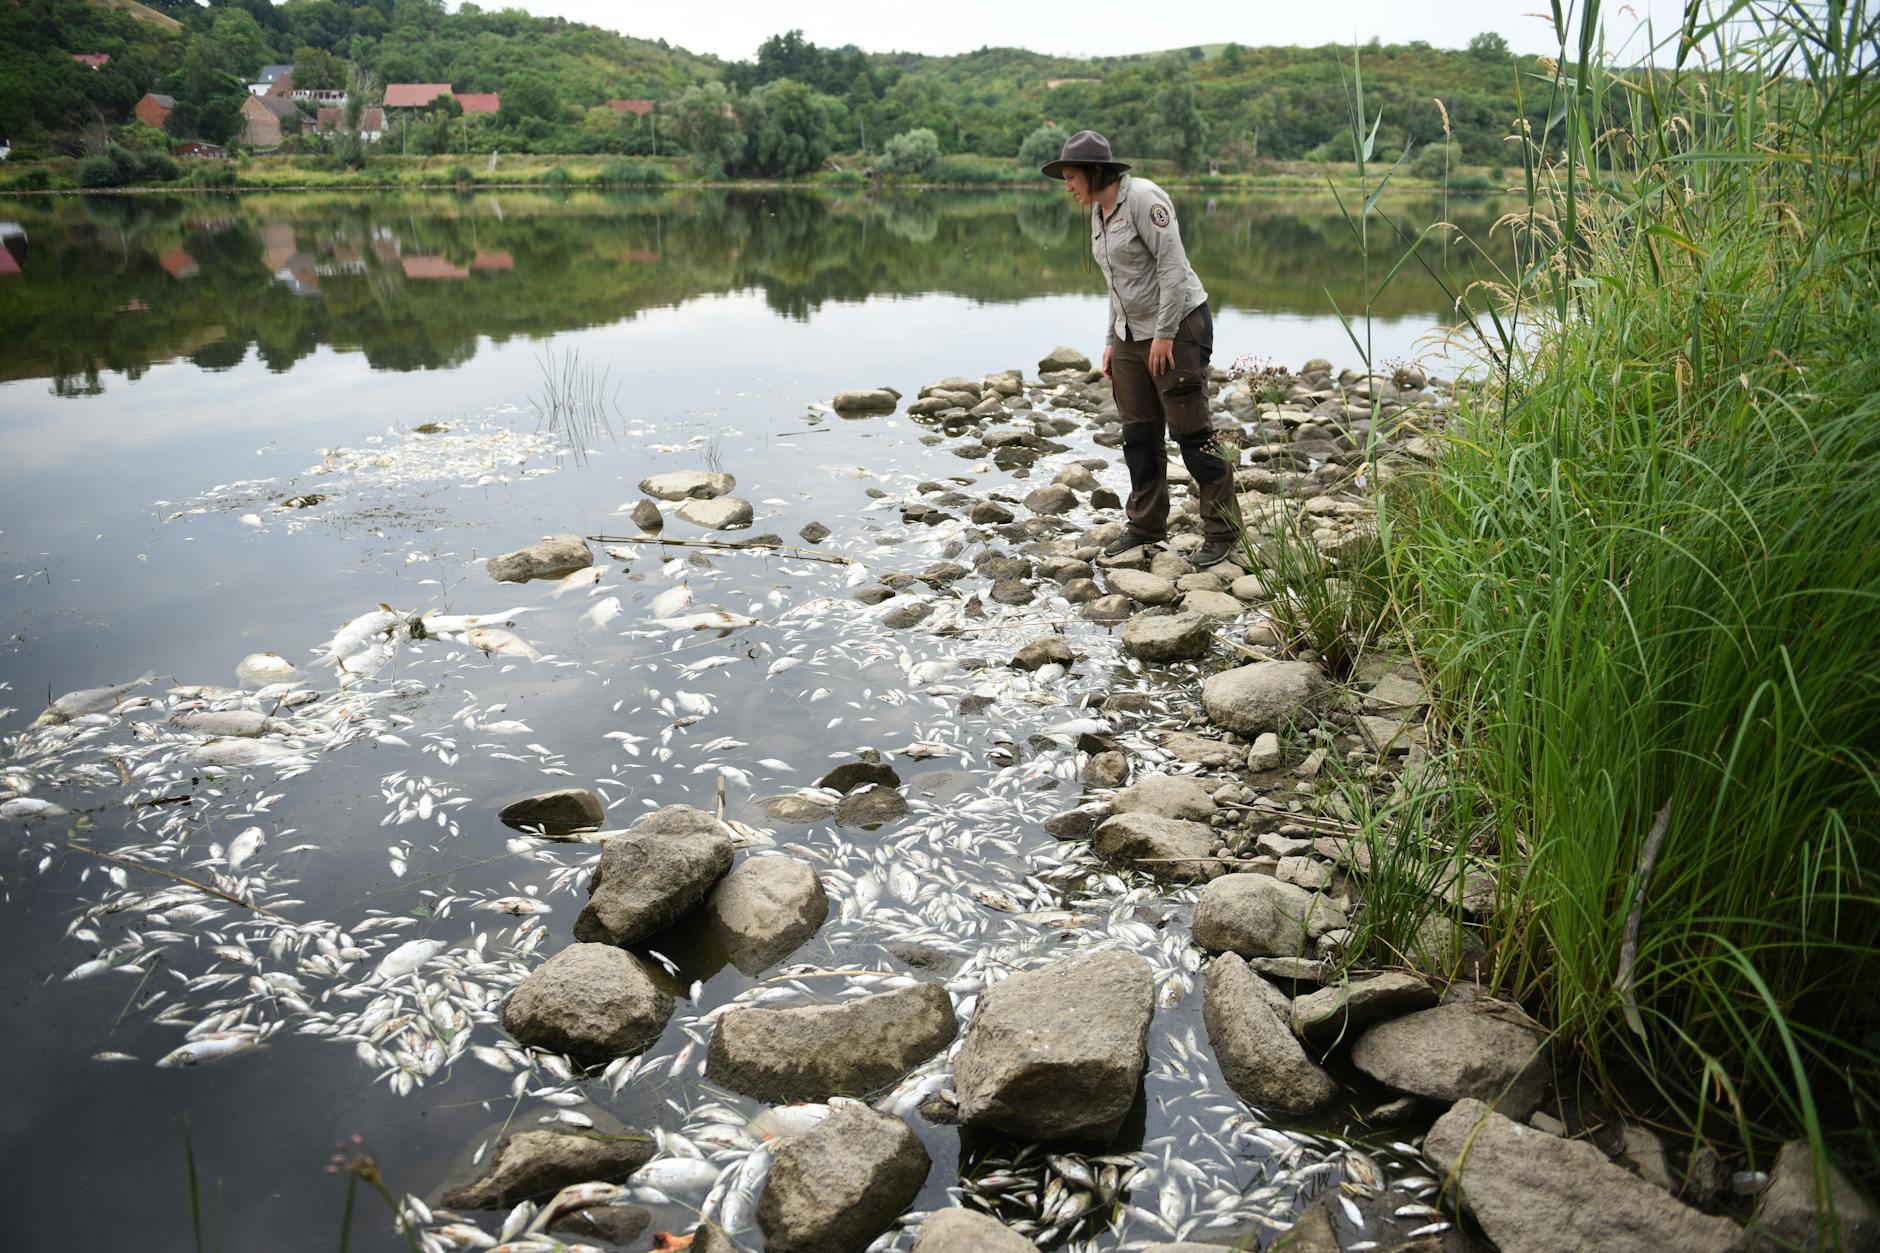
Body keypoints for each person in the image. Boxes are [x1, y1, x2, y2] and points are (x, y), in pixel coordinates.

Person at [1041, 130, 1242, 568]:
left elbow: (1172, 269)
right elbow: (1117, 284)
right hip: (1130, 335)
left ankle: (1223, 531)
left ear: (1096, 172)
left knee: (1192, 433)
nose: (1068, 186)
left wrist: (1165, 335)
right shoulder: (1098, 212)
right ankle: (1146, 526)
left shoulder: (1144, 200)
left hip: (1177, 327)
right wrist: (1112, 340)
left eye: (1071, 176)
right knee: (1138, 435)